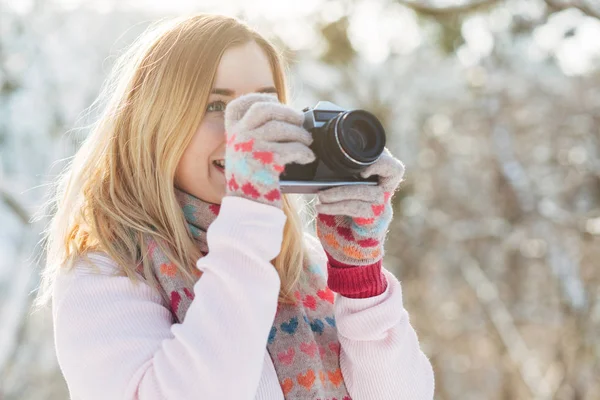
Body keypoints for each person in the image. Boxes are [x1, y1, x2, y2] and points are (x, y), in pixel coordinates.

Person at [35, 13, 434, 399]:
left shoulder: (301, 261)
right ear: (155, 123)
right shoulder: (106, 272)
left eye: (266, 106)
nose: (249, 131)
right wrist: (249, 220)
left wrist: (359, 276)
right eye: (216, 106)